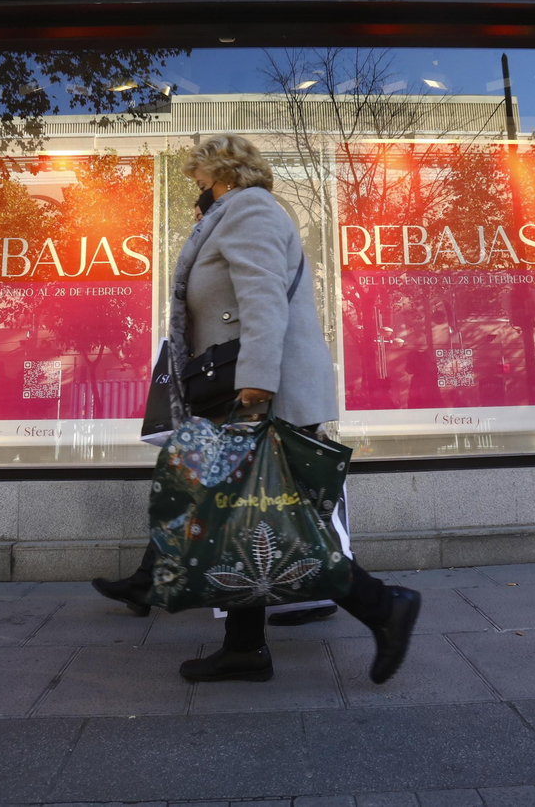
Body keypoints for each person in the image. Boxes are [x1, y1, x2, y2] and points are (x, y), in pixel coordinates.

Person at [96, 133, 420, 684]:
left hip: (256, 394)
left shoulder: (249, 210)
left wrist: (256, 385)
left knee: (279, 519)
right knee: (241, 515)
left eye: (201, 178)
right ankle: (244, 648)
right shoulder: (229, 216)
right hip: (236, 391)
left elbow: (263, 299)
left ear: (223, 173)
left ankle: (383, 605)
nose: (197, 188)